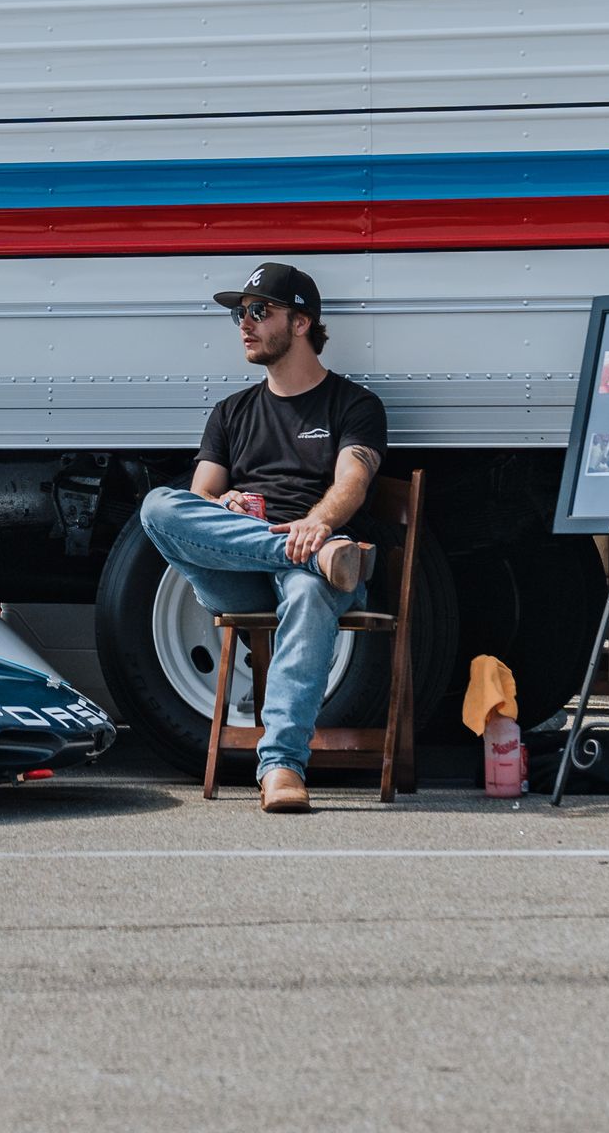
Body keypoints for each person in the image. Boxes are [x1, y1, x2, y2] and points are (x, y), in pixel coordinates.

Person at [139, 261, 388, 813]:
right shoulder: (230, 412)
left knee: (308, 590)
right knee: (157, 507)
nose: (245, 324)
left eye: (258, 311)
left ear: (301, 323)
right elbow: (199, 498)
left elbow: (352, 480)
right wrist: (224, 504)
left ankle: (281, 767)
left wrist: (318, 525)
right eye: (240, 315)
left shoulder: (355, 406)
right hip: (245, 568)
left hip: (314, 563)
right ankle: (317, 557)